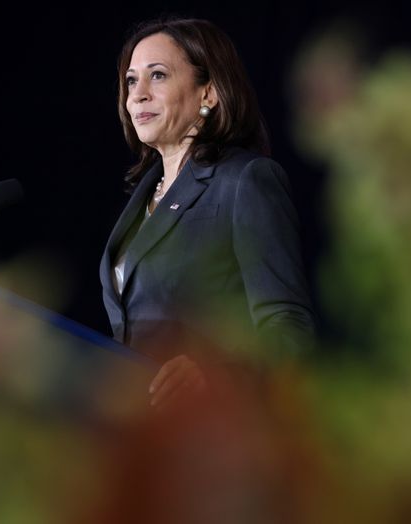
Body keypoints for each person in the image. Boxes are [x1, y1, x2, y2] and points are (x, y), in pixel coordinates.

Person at [99, 18, 315, 409]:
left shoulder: (245, 181)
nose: (138, 95)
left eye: (158, 76)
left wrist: (214, 372)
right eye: (131, 81)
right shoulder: (142, 198)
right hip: (143, 436)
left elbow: (289, 331)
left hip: (217, 436)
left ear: (209, 93)